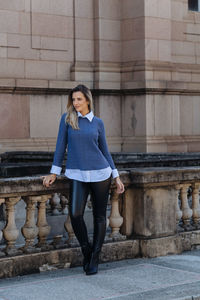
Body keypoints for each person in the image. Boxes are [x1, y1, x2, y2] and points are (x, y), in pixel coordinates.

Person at [43, 84, 124, 275]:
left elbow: (104, 150)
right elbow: (60, 147)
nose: (75, 103)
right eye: (73, 99)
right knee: (76, 214)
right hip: (77, 173)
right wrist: (54, 172)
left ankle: (95, 257)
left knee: (99, 217)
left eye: (79, 99)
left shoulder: (98, 123)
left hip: (100, 173)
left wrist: (116, 176)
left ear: (87, 100)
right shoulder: (67, 120)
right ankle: (86, 249)